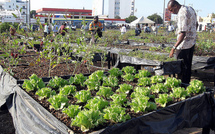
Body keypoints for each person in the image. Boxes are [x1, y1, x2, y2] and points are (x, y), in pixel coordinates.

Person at [167, 0, 198, 84]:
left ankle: (182, 85)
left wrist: (173, 48)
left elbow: (183, 33)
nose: (171, 12)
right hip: (191, 42)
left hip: (183, 44)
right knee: (188, 66)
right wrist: (193, 34)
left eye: (171, 10)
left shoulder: (182, 13)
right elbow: (196, 24)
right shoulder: (190, 9)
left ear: (175, 6)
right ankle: (186, 84)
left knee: (180, 67)